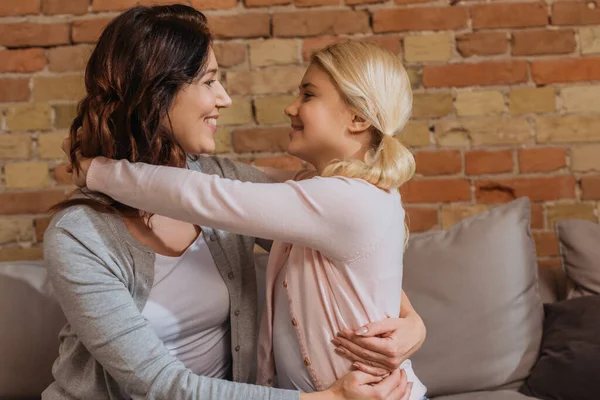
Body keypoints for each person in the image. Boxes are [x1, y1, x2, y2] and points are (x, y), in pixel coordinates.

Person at [45, 5, 424, 400]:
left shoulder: (228, 185)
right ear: (158, 91)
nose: (224, 98)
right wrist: (328, 399)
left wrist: (412, 321)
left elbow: (344, 245)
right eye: (209, 81)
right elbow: (158, 385)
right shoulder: (79, 235)